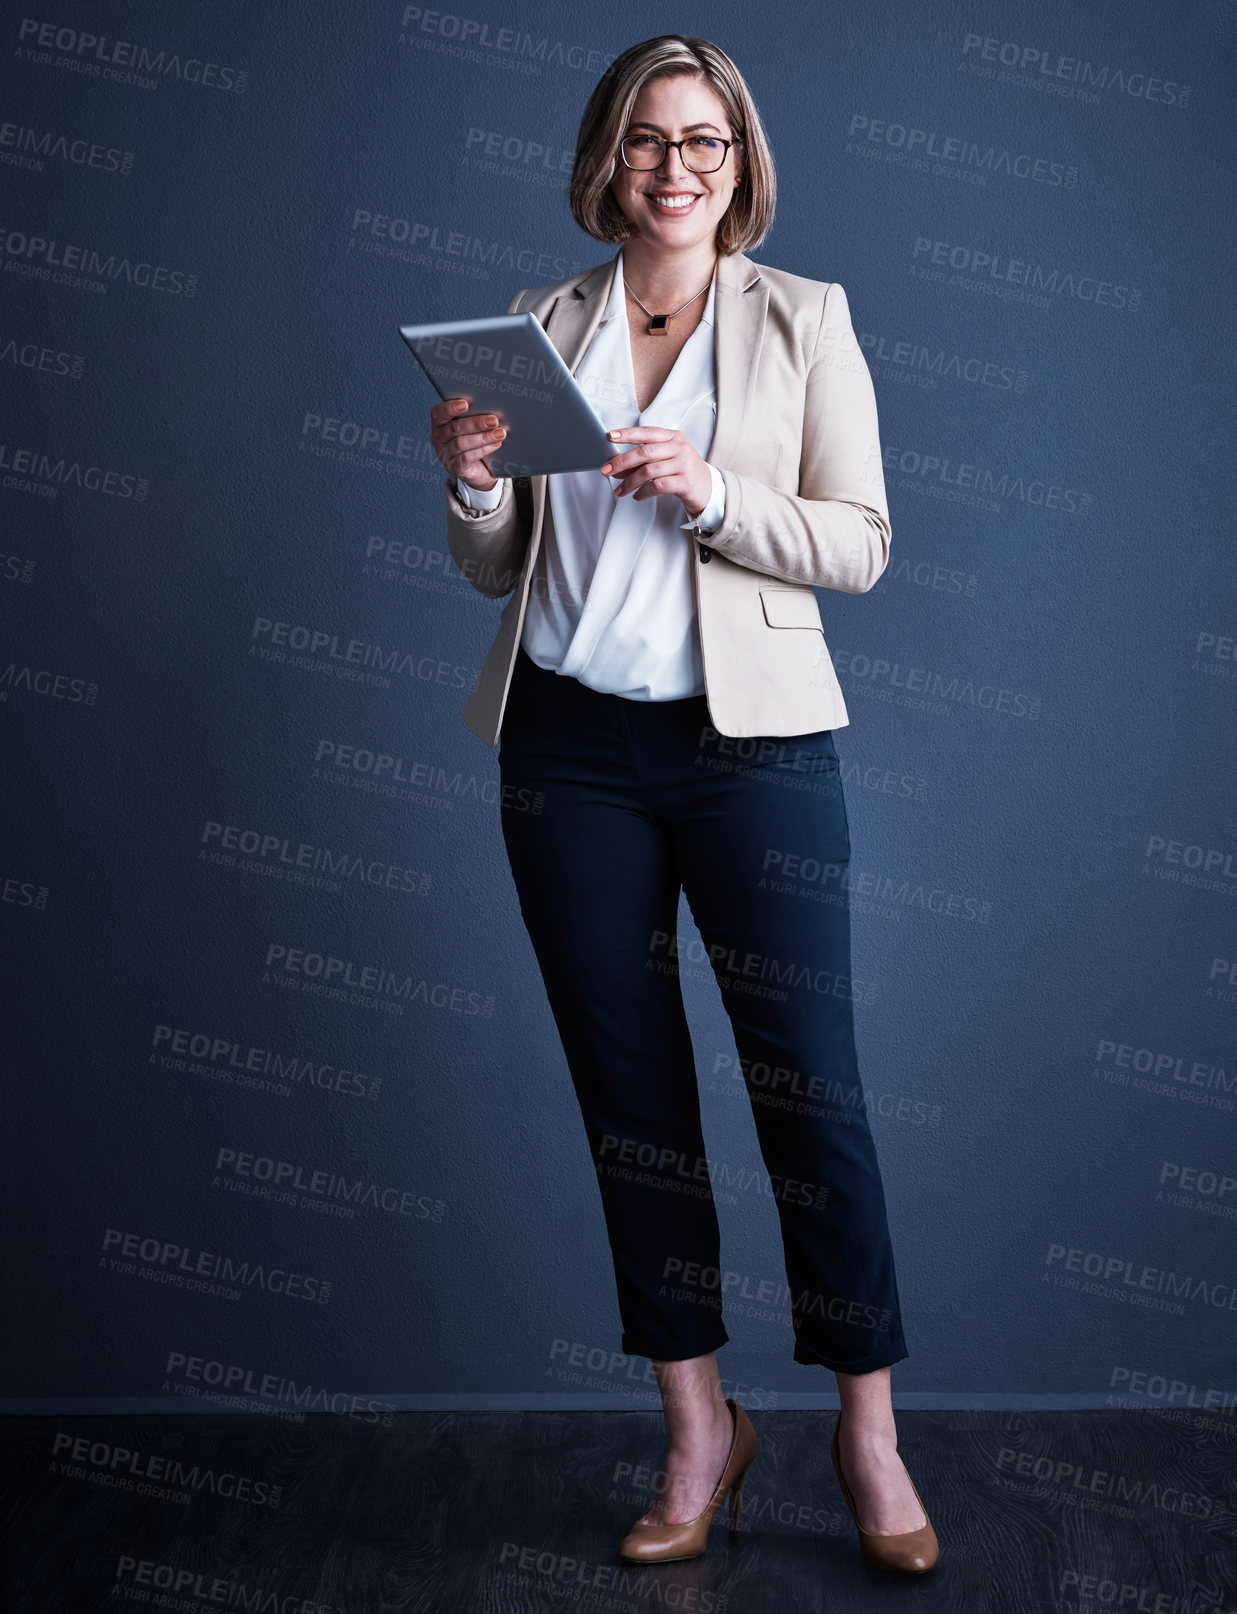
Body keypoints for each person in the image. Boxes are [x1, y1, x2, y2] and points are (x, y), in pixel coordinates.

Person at [430, 34, 939, 1576]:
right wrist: (465, 479)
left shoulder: (804, 319)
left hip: (752, 756)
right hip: (569, 755)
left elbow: (859, 542)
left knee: (810, 1090)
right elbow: (500, 566)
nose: (675, 168)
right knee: (631, 1104)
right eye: (649, 141)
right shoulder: (534, 321)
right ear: (609, 157)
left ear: (740, 161)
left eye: (704, 142)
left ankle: (866, 1433)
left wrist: (715, 490)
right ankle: (697, 1426)